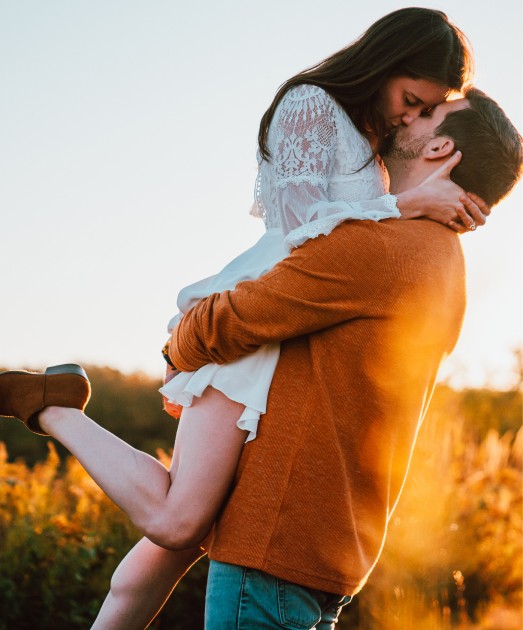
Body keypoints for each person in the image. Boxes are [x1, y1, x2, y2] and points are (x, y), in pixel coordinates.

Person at [0, 7, 492, 628]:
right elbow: (306, 236)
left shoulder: (373, 137)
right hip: (258, 318)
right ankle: (53, 405)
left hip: (290, 329)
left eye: (425, 110)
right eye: (412, 98)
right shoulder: (311, 105)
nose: (409, 116)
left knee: (178, 544)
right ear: (388, 62)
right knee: (180, 521)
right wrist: (406, 202)